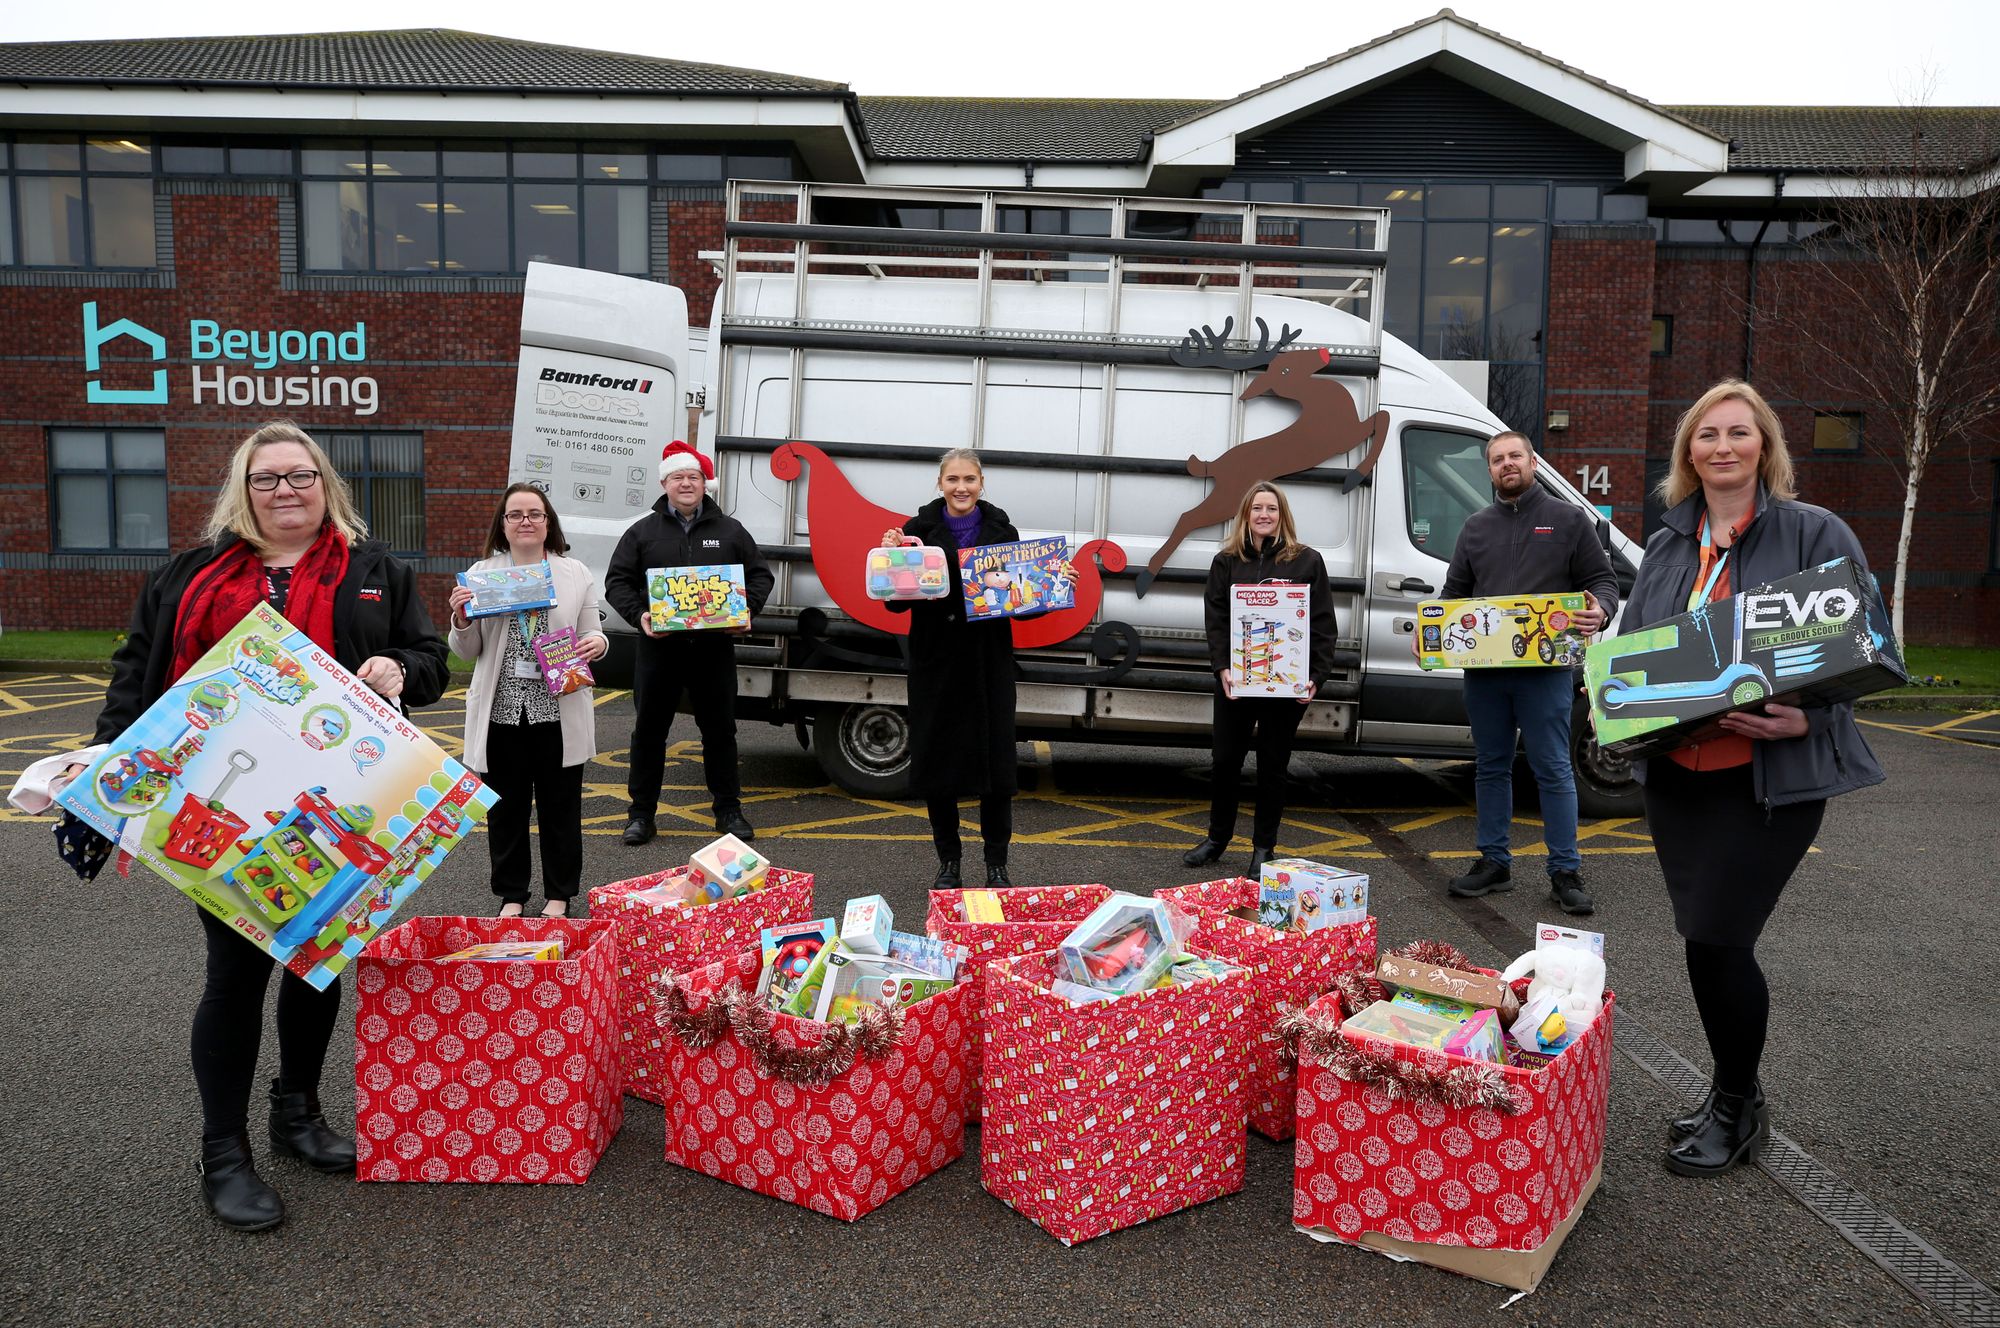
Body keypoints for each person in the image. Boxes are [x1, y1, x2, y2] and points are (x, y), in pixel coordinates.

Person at [70, 420, 448, 1231]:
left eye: (301, 476)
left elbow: (431, 660)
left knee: (316, 960)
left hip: (346, 806)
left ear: (326, 486)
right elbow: (137, 673)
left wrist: (400, 668)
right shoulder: (189, 575)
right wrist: (106, 757)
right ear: (244, 491)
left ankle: (297, 1114)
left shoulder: (378, 570)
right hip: (223, 807)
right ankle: (223, 1151)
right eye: (268, 478)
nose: (287, 490)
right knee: (236, 973)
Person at [1616, 379, 1885, 1177]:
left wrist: (1811, 718)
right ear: (1688, 454)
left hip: (1763, 782)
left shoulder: (1812, 532)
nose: (1723, 447)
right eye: (1707, 435)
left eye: (1739, 432)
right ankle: (1732, 1092)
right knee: (1703, 941)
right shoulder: (1669, 542)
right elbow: (1641, 650)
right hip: (1679, 777)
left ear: (1764, 445)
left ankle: (1738, 1108)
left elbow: (1866, 643)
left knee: (1720, 941)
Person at [1435, 429, 1617, 916]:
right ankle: (1494, 863)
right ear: (1490, 470)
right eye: (1497, 459)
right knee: (1491, 766)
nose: (1506, 464)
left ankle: (1564, 871)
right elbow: (1453, 596)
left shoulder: (1567, 520)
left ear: (1533, 462)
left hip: (1547, 671)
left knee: (1553, 768)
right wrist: (1431, 633)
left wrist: (1601, 611)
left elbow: (1602, 580)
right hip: (1487, 674)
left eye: (1515, 455)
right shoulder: (1476, 527)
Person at [879, 448, 1075, 888]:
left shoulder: (1003, 531)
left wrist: (1055, 582)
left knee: (995, 771)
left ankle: (996, 865)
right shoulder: (915, 531)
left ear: (981, 483)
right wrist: (892, 559)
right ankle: (949, 862)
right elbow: (893, 602)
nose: (961, 488)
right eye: (953, 480)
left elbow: (1022, 604)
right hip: (936, 663)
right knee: (938, 769)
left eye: (969, 479)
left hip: (988, 664)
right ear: (940, 484)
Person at [449, 484, 608, 918]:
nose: (525, 521)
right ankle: (512, 894)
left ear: (548, 523)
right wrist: (462, 618)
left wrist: (597, 644)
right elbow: (465, 652)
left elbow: (592, 629)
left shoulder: (574, 571)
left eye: (534, 514)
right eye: (515, 514)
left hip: (557, 709)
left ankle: (560, 894)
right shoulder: (483, 572)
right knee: (505, 812)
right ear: (502, 525)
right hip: (501, 711)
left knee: (561, 809)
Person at [605, 441, 773, 847]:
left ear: (705, 484)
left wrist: (745, 610)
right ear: (665, 483)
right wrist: (640, 615)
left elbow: (760, 576)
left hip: (713, 650)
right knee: (648, 733)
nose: (686, 483)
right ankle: (641, 815)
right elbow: (617, 582)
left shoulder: (730, 530)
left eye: (693, 477)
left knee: (720, 732)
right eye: (678, 477)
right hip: (659, 650)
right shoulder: (642, 532)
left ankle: (728, 811)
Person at [1181, 482, 1337, 877]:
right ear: (1245, 516)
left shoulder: (1307, 561)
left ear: (1282, 515)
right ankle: (1217, 839)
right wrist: (1222, 669)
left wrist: (1316, 676)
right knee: (1225, 762)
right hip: (1237, 681)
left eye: (1271, 508)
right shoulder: (1227, 561)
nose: (1264, 515)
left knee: (1273, 766)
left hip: (1286, 685)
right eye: (1257, 508)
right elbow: (1215, 621)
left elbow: (1322, 624)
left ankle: (1264, 848)